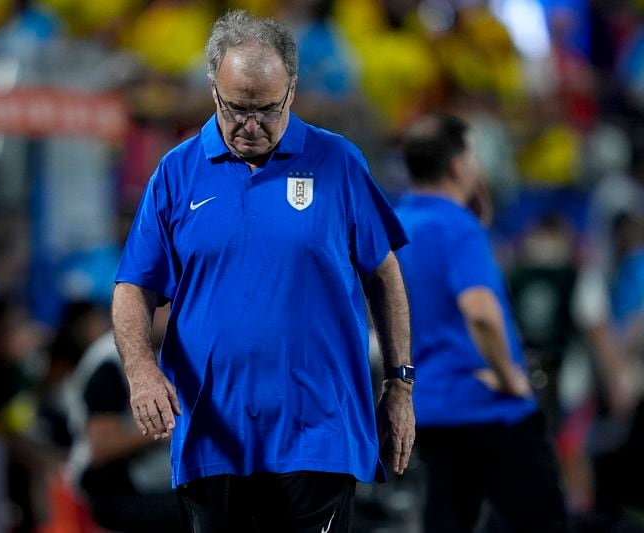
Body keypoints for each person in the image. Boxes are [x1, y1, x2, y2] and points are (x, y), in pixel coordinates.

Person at [111, 10, 414, 533]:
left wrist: (399, 386)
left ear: (292, 92)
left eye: (267, 110)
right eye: (237, 109)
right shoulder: (176, 174)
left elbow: (384, 275)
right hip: (212, 435)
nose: (251, 125)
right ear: (213, 91)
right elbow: (133, 287)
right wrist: (141, 371)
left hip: (320, 432)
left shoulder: (337, 163)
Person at [395, 114, 567, 532]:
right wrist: (509, 376)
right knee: (543, 521)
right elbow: (480, 312)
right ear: (458, 165)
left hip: (432, 405)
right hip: (487, 404)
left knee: (448, 520)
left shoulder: (398, 223)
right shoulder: (458, 228)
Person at [68, 329, 185, 532]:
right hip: (109, 490)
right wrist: (168, 426)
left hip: (150, 481)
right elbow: (102, 447)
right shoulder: (111, 360)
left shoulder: (163, 350)